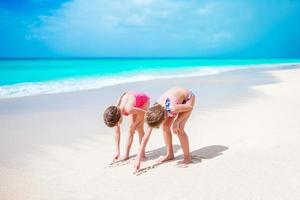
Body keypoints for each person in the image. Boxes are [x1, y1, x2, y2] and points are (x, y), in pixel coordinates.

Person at [134, 87, 195, 171]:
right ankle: (170, 154)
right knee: (166, 126)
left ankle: (187, 158)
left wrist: (177, 121)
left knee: (179, 128)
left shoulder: (172, 108)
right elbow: (145, 137)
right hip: (172, 102)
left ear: (163, 118)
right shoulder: (152, 112)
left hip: (187, 99)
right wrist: (138, 158)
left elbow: (189, 107)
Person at [103, 91, 150, 162]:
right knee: (131, 129)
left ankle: (142, 154)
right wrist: (117, 151)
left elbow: (145, 113)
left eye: (116, 124)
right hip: (132, 100)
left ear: (119, 118)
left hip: (143, 101)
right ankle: (126, 155)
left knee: (138, 128)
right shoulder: (114, 112)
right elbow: (117, 133)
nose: (117, 125)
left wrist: (138, 124)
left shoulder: (128, 109)